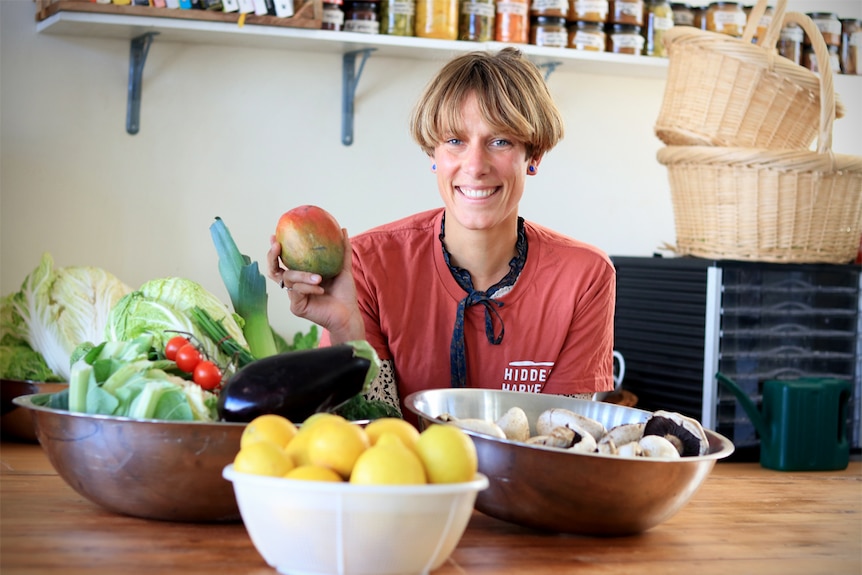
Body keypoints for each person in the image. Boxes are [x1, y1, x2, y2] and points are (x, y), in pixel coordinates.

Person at [268, 47, 616, 420]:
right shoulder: (365, 265)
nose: (475, 165)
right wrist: (346, 330)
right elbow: (374, 435)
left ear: (534, 156)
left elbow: (562, 442)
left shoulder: (585, 277)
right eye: (455, 140)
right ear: (433, 153)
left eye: (500, 141)